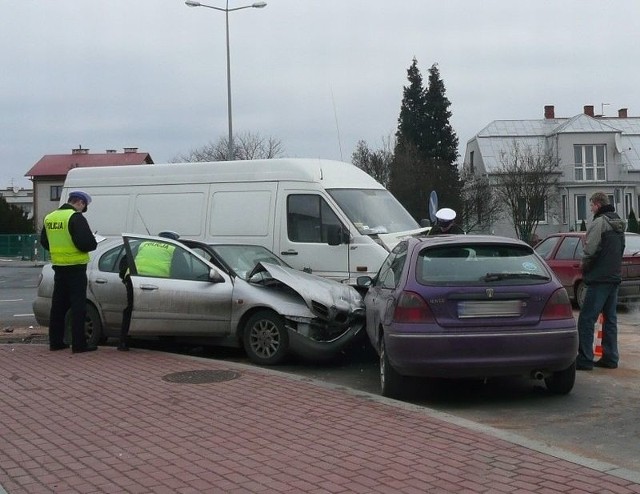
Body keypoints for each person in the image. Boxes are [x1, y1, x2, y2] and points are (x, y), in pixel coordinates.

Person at [41, 190, 98, 353]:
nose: (82, 210)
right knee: (78, 306)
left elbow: (44, 241)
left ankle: (55, 342)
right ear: (79, 202)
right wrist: (92, 241)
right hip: (76, 268)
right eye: (83, 206)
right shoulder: (75, 217)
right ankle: (79, 344)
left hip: (59, 267)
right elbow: (86, 243)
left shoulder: (50, 217)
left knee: (58, 306)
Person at [576, 192, 626, 371]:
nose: (590, 209)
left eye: (591, 205)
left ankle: (584, 359)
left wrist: (585, 267)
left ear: (597, 204)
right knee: (610, 319)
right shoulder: (619, 223)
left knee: (586, 319)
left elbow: (590, 250)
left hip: (599, 279)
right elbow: (621, 248)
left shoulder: (600, 223)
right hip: (614, 277)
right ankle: (610, 357)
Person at [118, 232, 180, 351]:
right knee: (164, 310)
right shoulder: (173, 248)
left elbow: (125, 261)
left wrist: (124, 278)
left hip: (134, 280)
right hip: (159, 282)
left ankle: (123, 342)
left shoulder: (144, 244)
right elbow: (182, 268)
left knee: (131, 309)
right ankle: (166, 343)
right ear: (173, 240)